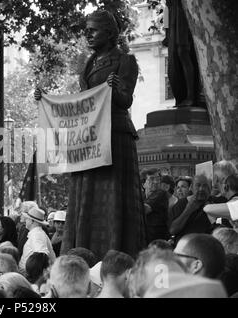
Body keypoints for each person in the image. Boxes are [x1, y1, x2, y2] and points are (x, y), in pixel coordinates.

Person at [35, 11, 145, 258]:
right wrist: (47, 101)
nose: (88, 35)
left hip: (115, 138)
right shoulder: (89, 63)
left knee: (112, 201)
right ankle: (82, 253)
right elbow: (82, 103)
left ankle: (114, 256)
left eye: (92, 30)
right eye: (86, 31)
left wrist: (115, 90)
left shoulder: (125, 61)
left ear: (109, 32)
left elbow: (125, 101)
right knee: (86, 201)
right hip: (89, 141)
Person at [168, 175, 214, 241]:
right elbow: (172, 230)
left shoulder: (215, 204)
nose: (201, 189)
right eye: (198, 185)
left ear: (210, 189)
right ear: (191, 188)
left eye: (205, 186)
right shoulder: (181, 204)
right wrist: (188, 210)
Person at [142, 168, 169, 243]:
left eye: (158, 179)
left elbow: (144, 209)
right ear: (143, 184)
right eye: (151, 179)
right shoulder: (143, 197)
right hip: (145, 240)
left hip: (157, 242)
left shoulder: (161, 194)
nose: (156, 181)